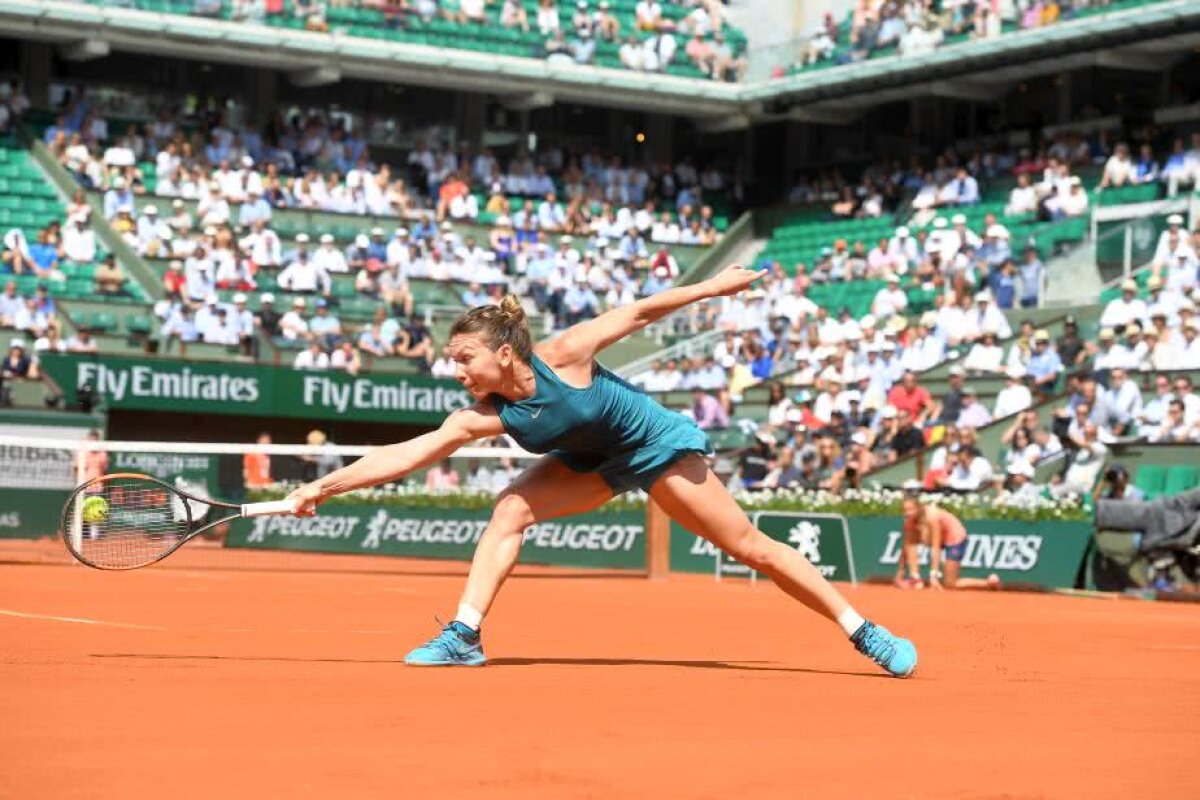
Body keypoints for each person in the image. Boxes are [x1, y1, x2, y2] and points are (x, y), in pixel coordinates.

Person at [284, 267, 917, 676]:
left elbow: (640, 312)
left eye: (465, 359)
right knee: (510, 508)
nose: (457, 371)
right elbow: (408, 454)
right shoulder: (484, 413)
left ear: (505, 354)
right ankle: (464, 635)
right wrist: (322, 484)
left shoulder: (567, 353)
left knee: (749, 546)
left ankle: (863, 631)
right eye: (453, 361)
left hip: (654, 448)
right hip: (588, 464)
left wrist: (711, 288)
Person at [897, 495, 1000, 590]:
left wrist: (933, 576)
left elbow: (935, 547)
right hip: (939, 537)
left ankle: (988, 583)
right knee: (910, 542)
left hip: (954, 536)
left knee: (950, 583)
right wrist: (900, 573)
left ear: (919, 508)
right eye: (905, 510)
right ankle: (915, 578)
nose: (908, 513)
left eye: (911, 510)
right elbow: (906, 547)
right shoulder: (908, 521)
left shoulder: (932, 517)